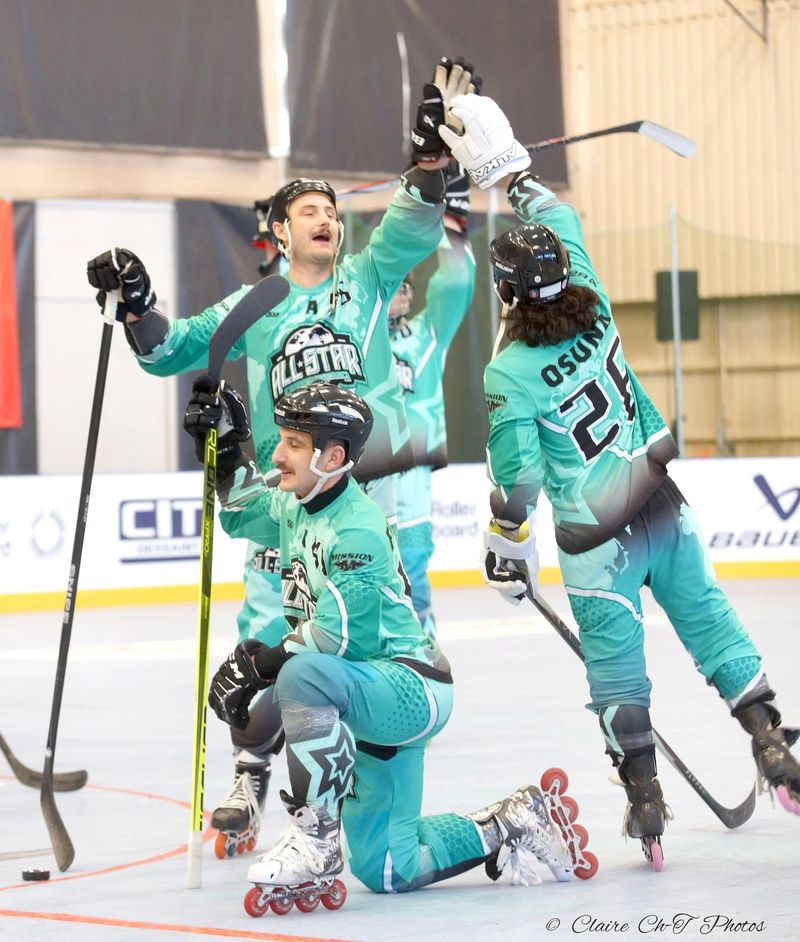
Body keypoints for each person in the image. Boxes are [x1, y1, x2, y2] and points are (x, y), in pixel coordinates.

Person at [85, 58, 480, 859]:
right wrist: (136, 305)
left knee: (352, 634)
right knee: (267, 627)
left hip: (360, 497)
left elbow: (411, 224)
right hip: (282, 500)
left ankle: (348, 783)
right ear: (279, 232)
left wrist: (430, 160)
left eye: (331, 209)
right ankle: (250, 776)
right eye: (307, 210)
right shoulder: (257, 304)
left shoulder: (368, 279)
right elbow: (169, 351)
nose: (325, 217)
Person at [436, 91, 800, 870]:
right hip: (663, 507)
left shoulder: (507, 372)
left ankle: (645, 799)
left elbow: (519, 475)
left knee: (617, 673)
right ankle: (771, 740)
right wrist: (508, 168)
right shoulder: (595, 304)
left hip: (598, 544)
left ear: (504, 291)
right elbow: (555, 213)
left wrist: (507, 538)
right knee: (711, 623)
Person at [182, 377, 594, 910]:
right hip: (365, 690)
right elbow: (240, 511)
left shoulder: (358, 528)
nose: (278, 455)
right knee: (388, 870)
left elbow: (334, 637)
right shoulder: (295, 504)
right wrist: (224, 447)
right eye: (281, 440)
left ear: (332, 457)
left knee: (300, 673)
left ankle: (315, 839)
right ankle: (513, 819)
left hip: (411, 686)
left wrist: (260, 667)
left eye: (293, 444)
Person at [389, 160, 476, 637]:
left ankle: (423, 654)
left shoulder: (426, 335)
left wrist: (452, 214)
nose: (400, 292)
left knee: (412, 575)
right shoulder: (346, 332)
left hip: (410, 479)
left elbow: (456, 281)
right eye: (392, 285)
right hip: (353, 476)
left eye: (405, 286)